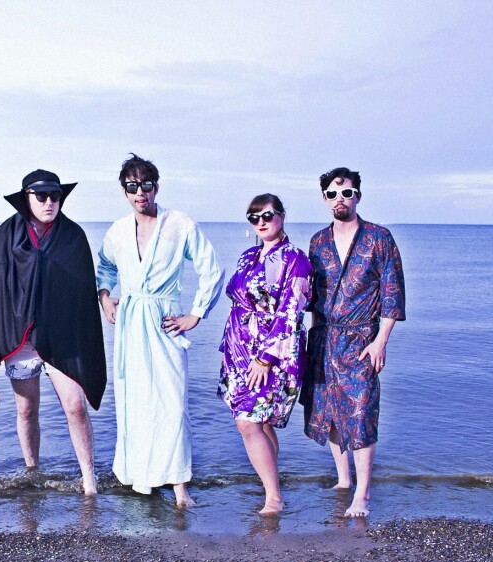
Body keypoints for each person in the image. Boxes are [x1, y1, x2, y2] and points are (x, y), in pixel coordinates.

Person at [97, 154, 224, 507]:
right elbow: (104, 267)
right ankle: (141, 477)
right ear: (124, 191)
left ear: (156, 188)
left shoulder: (179, 224)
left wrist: (196, 313)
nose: (140, 193)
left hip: (165, 321)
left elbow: (211, 269)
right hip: (130, 322)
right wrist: (105, 298)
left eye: (146, 185)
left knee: (171, 402)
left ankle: (180, 483)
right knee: (134, 400)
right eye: (132, 187)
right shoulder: (117, 231)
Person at [0, 169, 106, 495]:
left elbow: (82, 294)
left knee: (75, 406)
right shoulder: (7, 236)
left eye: (55, 195)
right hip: (21, 339)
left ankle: (89, 478)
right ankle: (32, 471)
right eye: (41, 196)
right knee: (26, 409)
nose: (49, 202)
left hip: (63, 336)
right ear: (26, 198)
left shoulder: (73, 237)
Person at [300, 167, 406, 517]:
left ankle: (363, 493)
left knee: (361, 413)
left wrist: (381, 342)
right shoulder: (318, 242)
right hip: (323, 338)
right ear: (324, 199)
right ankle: (344, 480)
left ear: (357, 196)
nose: (340, 199)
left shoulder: (379, 238)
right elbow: (313, 295)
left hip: (362, 339)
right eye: (332, 194)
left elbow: (392, 292)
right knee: (330, 411)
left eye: (346, 193)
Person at [217, 194, 311, 515]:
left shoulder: (295, 258)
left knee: (248, 422)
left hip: (270, 352)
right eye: (253, 218)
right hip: (240, 349)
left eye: (267, 216)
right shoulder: (248, 255)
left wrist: (266, 358)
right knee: (261, 422)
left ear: (282, 216)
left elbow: (292, 310)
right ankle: (271, 486)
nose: (260, 222)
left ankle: (274, 497)